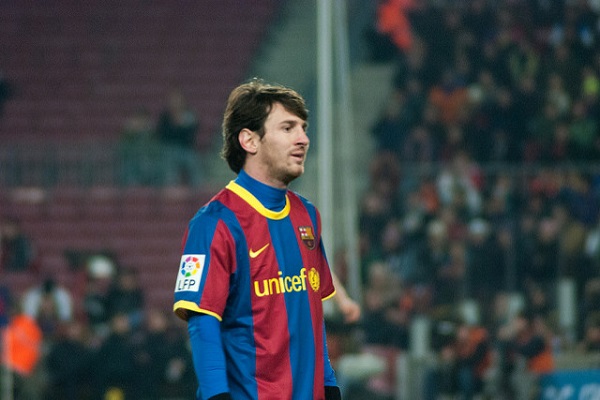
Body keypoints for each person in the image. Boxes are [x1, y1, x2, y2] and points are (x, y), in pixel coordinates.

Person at [172, 79, 342, 400]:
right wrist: (217, 396)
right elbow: (202, 322)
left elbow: (312, 314)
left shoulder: (308, 216)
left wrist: (329, 385)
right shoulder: (212, 223)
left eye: (303, 128)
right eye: (288, 128)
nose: (303, 139)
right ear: (249, 140)